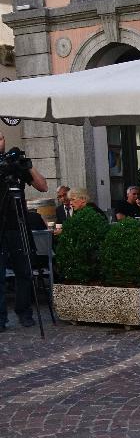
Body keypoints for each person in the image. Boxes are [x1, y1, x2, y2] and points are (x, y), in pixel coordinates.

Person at [0, 133, 49, 331]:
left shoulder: (15, 164)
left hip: (18, 223)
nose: (0, 142)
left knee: (24, 271)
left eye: (1, 138)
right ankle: (0, 319)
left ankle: (25, 313)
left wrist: (27, 165)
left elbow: (43, 186)